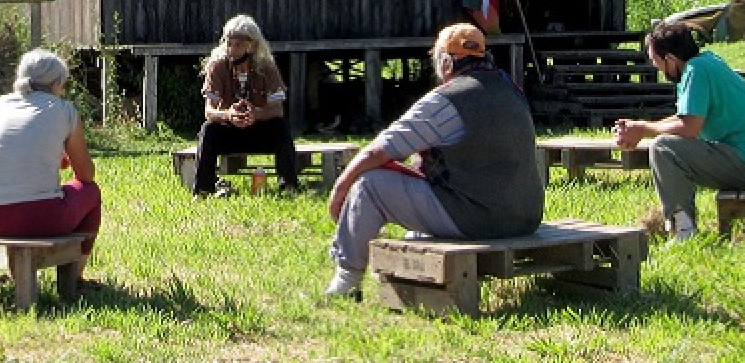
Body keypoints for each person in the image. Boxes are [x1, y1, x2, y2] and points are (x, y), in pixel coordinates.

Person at [324, 23, 543, 298]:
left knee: (369, 184)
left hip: (477, 218)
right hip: (525, 216)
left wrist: (340, 188)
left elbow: (377, 152)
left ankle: (347, 279)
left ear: (447, 61)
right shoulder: (511, 89)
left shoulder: (446, 100)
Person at [614, 20, 745, 242]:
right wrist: (639, 127)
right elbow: (686, 117)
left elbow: (689, 128)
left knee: (663, 149)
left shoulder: (696, 71)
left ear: (671, 59)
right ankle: (681, 226)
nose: (656, 68)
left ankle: (683, 230)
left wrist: (643, 129)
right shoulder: (705, 62)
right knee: (664, 144)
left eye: (656, 61)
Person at [0, 49, 102, 273]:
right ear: (58, 83)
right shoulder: (64, 110)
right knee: (91, 191)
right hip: (38, 216)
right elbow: (85, 175)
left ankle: (16, 274)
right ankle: (75, 275)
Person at [191, 15, 299, 196]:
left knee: (281, 127)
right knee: (208, 129)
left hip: (259, 130)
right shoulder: (218, 67)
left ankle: (288, 185)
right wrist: (228, 115)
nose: (233, 50)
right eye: (229, 44)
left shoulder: (267, 68)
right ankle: (203, 189)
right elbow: (209, 111)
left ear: (253, 46)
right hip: (229, 131)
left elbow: (277, 109)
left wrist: (256, 114)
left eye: (239, 45)